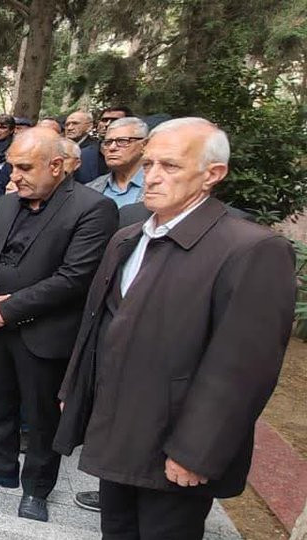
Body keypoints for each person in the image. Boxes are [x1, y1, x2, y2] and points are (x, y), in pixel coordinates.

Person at [53, 118, 294, 537]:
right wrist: (74, 392)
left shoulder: (252, 249)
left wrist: (195, 451)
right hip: (118, 432)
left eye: (171, 166)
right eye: (149, 164)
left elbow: (242, 370)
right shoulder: (128, 237)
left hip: (175, 447)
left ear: (212, 174)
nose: (152, 176)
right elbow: (97, 324)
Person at [0, 128, 117, 522]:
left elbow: (73, 278)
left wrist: (6, 309)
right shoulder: (7, 203)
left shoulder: (93, 208)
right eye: (12, 166)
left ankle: (36, 489)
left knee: (43, 418)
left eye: (25, 168)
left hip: (44, 334)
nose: (15, 176)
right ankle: (1, 467)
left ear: (57, 166)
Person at [86, 117, 149, 208]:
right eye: (108, 142)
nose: (112, 148)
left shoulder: (162, 185)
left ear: (144, 145)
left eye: (122, 141)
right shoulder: (91, 188)